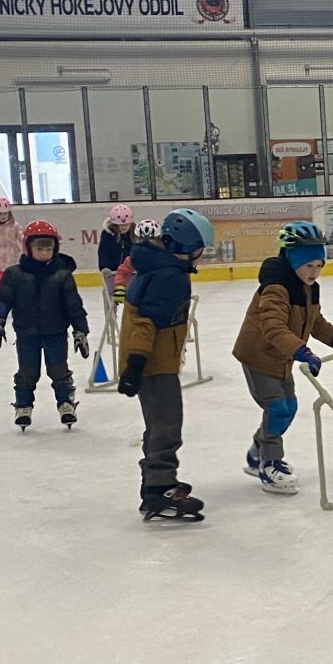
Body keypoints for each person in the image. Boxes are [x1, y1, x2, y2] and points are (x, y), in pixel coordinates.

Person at [231, 220, 333, 497]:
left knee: (288, 407)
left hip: (281, 356)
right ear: (291, 260)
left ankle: (258, 452)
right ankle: (269, 463)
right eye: (308, 265)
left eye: (319, 265)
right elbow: (273, 327)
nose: (314, 272)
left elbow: (315, 323)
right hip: (258, 355)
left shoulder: (308, 288)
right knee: (278, 407)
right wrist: (302, 351)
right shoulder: (276, 288)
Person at [118, 207, 214, 521]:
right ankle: (160, 489)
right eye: (200, 249)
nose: (201, 256)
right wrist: (136, 363)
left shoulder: (156, 266)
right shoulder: (169, 277)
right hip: (154, 362)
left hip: (153, 359)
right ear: (187, 247)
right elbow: (146, 322)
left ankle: (155, 481)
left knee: (158, 425)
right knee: (167, 426)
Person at [0, 219, 90, 432]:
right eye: (39, 248)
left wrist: (80, 330)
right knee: (27, 371)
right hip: (27, 333)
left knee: (58, 370)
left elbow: (73, 305)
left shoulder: (62, 276)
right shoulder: (14, 275)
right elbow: (3, 300)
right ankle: (23, 406)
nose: (45, 253)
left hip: (55, 332)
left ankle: (66, 403)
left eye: (49, 248)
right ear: (28, 248)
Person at [97, 203, 135, 322]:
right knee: (109, 295)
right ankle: (111, 320)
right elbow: (103, 252)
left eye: (126, 224)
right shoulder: (107, 234)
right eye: (120, 225)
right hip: (111, 273)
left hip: (130, 273)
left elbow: (138, 252)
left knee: (134, 296)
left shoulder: (134, 234)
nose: (124, 227)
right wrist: (104, 267)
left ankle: (132, 321)